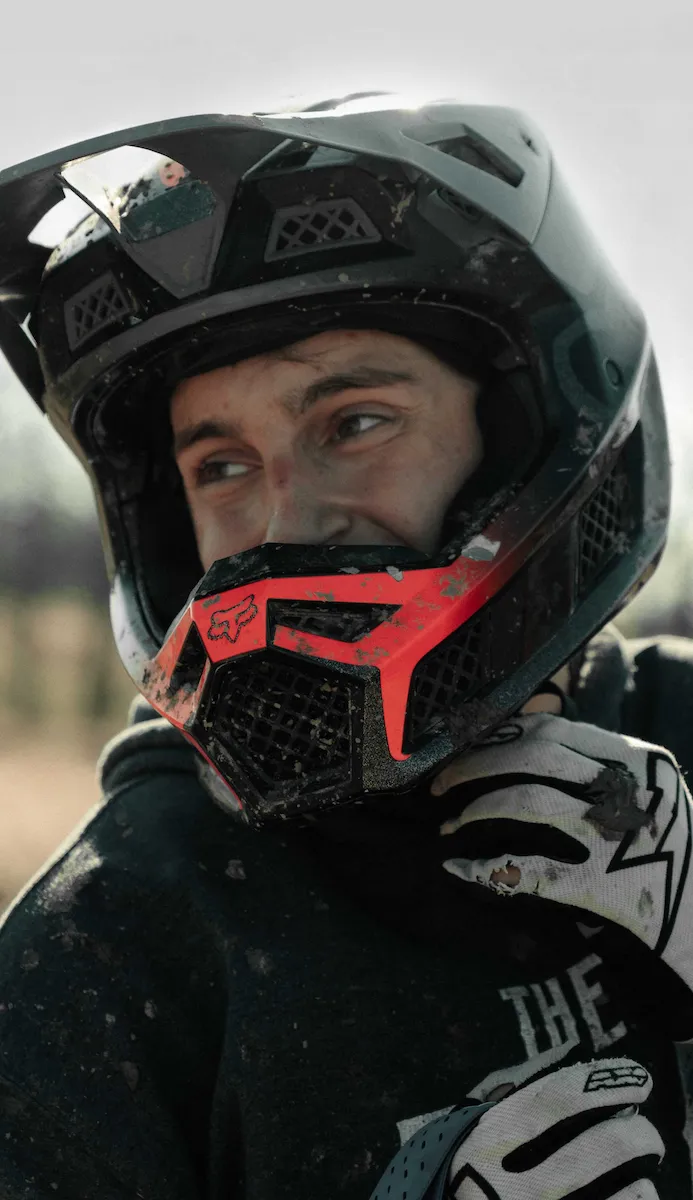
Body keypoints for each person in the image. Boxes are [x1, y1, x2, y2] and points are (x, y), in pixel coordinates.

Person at [0, 93, 692, 1198]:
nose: (291, 521)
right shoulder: (111, 953)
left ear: (530, 433)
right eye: (221, 466)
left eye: (355, 423)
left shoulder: (681, 728)